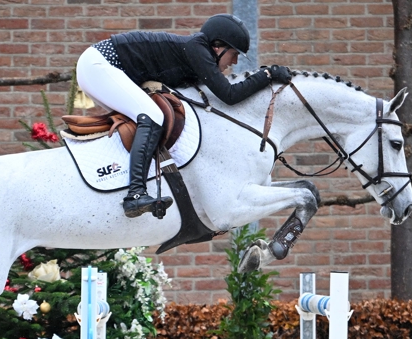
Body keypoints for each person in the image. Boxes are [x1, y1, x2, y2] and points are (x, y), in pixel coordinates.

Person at [75, 14, 292, 218]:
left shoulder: (197, 52)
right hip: (100, 65)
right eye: (234, 53)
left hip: (103, 67)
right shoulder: (197, 50)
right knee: (152, 117)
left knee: (145, 119)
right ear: (218, 47)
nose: (234, 62)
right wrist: (267, 75)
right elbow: (229, 94)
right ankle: (135, 195)